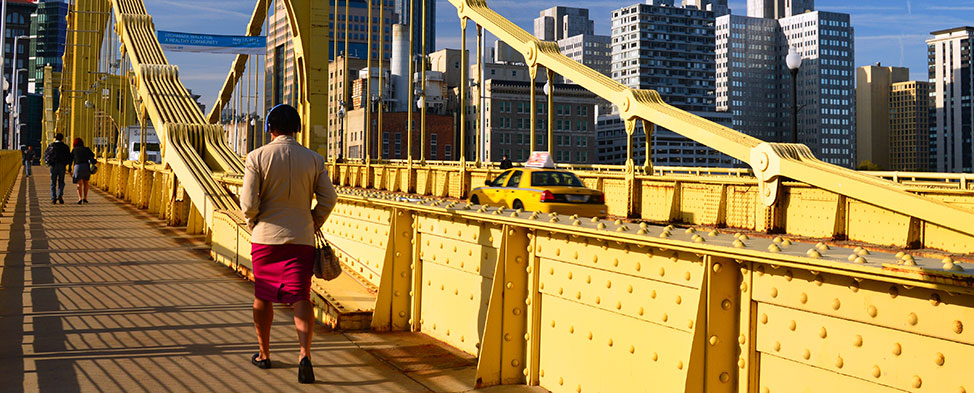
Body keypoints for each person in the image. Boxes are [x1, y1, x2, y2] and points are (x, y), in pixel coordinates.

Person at [240, 104, 338, 384]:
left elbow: (247, 203)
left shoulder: (256, 157)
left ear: (270, 128)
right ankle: (304, 355)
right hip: (301, 238)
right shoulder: (314, 159)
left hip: (266, 239)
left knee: (263, 295)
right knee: (301, 296)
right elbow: (329, 199)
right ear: (297, 128)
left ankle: (264, 353)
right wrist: (313, 222)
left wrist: (254, 223)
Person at [43, 133, 72, 204]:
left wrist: (48, 163)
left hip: (53, 165)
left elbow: (46, 155)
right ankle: (60, 194)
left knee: (53, 182)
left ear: (55, 138)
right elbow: (69, 157)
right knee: (61, 181)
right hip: (62, 166)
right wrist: (68, 166)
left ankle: (53, 198)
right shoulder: (65, 147)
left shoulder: (51, 146)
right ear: (62, 138)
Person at [71, 138, 95, 204]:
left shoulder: (74, 150)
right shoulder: (86, 149)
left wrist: (70, 167)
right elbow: (93, 155)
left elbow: (70, 158)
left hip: (78, 167)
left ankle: (80, 198)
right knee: (86, 183)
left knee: (79, 184)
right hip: (86, 167)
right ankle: (85, 198)